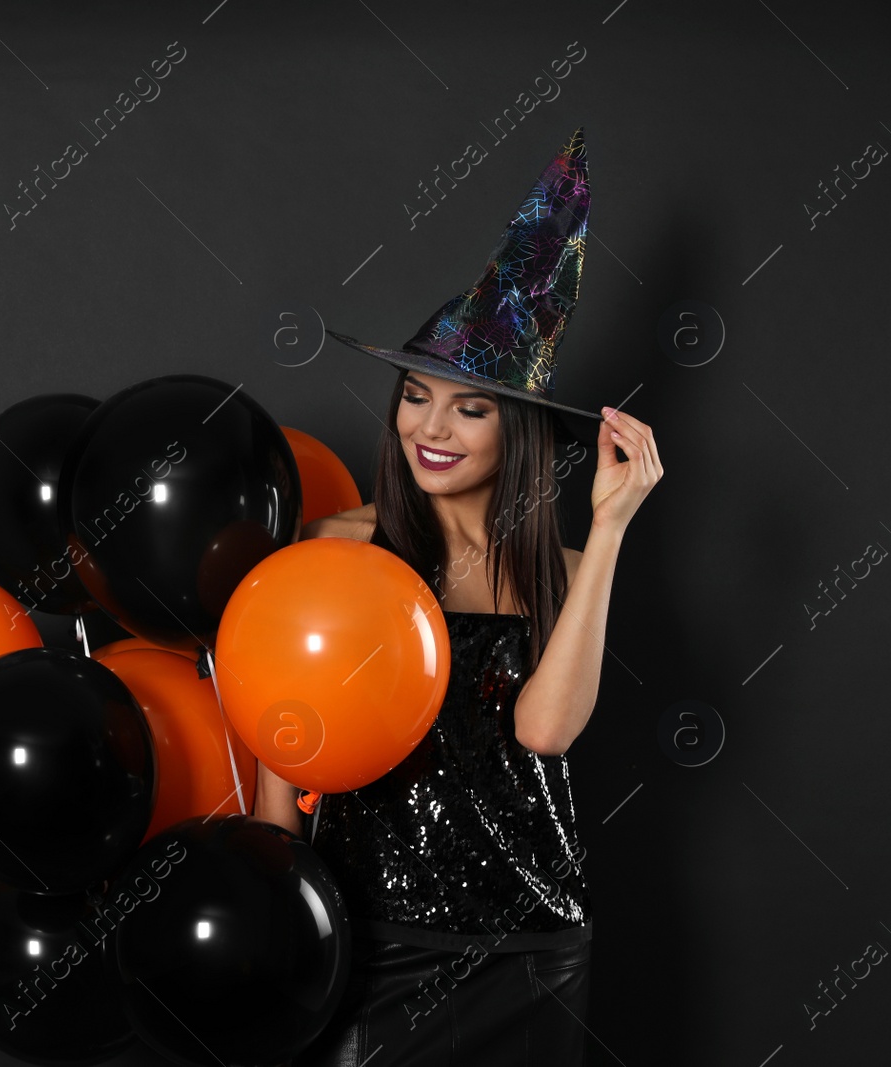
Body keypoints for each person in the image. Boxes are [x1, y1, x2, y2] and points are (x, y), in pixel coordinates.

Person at [254, 128, 664, 1066]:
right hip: (370, 934)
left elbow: (546, 733)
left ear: (513, 426)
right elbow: (276, 730)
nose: (431, 428)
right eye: (415, 395)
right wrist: (282, 901)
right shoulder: (335, 547)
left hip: (531, 943)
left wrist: (607, 530)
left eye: (469, 407)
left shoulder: (560, 564)